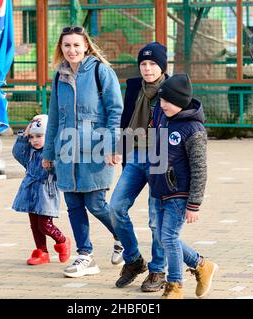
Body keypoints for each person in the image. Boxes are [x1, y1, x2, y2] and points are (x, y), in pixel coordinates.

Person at [42, 26, 124, 278]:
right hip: (66, 150)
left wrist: (113, 146)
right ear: (61, 48)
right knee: (74, 204)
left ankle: (123, 236)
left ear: (86, 46)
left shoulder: (101, 71)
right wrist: (48, 152)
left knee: (96, 204)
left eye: (76, 45)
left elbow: (115, 111)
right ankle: (85, 255)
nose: (72, 50)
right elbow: (54, 117)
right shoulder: (60, 76)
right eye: (67, 45)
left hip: (95, 147)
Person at [149, 74, 218, 299]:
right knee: (163, 238)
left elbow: (200, 169)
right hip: (160, 192)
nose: (162, 105)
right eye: (161, 101)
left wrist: (194, 204)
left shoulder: (193, 129)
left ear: (180, 100)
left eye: (167, 101)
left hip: (180, 194)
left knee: (168, 238)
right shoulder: (164, 118)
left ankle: (175, 285)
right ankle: (202, 265)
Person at [110, 42, 169, 292]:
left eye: (153, 63)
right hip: (134, 155)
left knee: (156, 219)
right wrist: (118, 147)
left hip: (160, 157)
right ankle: (134, 260)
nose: (147, 68)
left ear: (163, 66)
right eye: (143, 64)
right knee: (116, 208)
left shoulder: (172, 87)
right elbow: (126, 119)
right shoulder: (134, 86)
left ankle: (158, 271)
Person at [12, 114, 71, 266]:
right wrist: (23, 137)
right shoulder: (30, 152)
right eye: (31, 137)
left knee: (44, 225)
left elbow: (61, 171)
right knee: (34, 225)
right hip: (30, 190)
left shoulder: (54, 153)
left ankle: (62, 241)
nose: (34, 140)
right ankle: (42, 251)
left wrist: (51, 165)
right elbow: (18, 154)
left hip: (46, 192)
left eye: (39, 136)